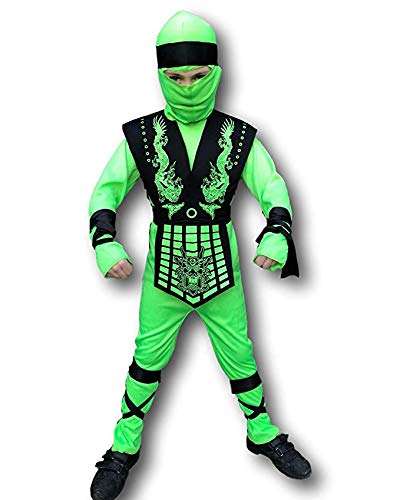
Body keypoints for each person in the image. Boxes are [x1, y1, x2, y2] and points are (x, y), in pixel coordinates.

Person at [88, 10, 311, 500]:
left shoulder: (240, 136)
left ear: (215, 72)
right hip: (163, 270)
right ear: (161, 75)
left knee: (240, 355)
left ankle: (262, 433)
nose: (187, 87)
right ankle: (124, 446)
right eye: (176, 77)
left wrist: (277, 232)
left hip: (221, 267)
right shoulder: (140, 136)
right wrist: (104, 240)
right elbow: (106, 191)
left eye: (197, 75)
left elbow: (272, 186)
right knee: (146, 360)